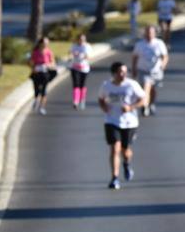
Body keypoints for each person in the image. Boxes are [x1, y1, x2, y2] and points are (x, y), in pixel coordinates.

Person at [98, 61, 147, 190]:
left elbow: (143, 99)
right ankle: (114, 178)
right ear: (114, 73)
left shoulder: (132, 85)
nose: (123, 74)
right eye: (120, 72)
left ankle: (126, 163)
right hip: (111, 121)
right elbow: (101, 99)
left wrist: (131, 107)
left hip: (129, 122)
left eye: (125, 72)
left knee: (126, 151)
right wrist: (104, 107)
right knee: (115, 148)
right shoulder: (106, 86)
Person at [132, 25, 169, 116]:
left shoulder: (159, 44)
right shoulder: (140, 44)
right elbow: (135, 57)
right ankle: (145, 106)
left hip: (156, 71)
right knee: (146, 87)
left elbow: (165, 56)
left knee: (153, 90)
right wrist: (134, 69)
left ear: (154, 34)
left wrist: (163, 65)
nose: (149, 34)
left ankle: (151, 103)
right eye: (147, 32)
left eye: (151, 33)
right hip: (143, 70)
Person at [30, 37, 57, 115]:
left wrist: (48, 65)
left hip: (45, 73)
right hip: (37, 73)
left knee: (44, 91)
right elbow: (31, 62)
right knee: (36, 89)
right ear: (40, 43)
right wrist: (33, 67)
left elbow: (53, 63)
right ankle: (36, 101)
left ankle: (42, 107)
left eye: (47, 43)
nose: (46, 44)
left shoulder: (49, 52)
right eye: (44, 43)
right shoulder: (35, 52)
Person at [68, 32, 93, 110]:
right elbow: (70, 54)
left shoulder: (87, 46)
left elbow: (88, 56)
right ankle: (76, 101)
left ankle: (82, 100)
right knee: (76, 84)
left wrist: (82, 55)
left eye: (83, 39)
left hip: (84, 68)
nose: (81, 41)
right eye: (80, 39)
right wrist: (72, 55)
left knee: (82, 85)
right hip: (75, 67)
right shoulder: (74, 46)